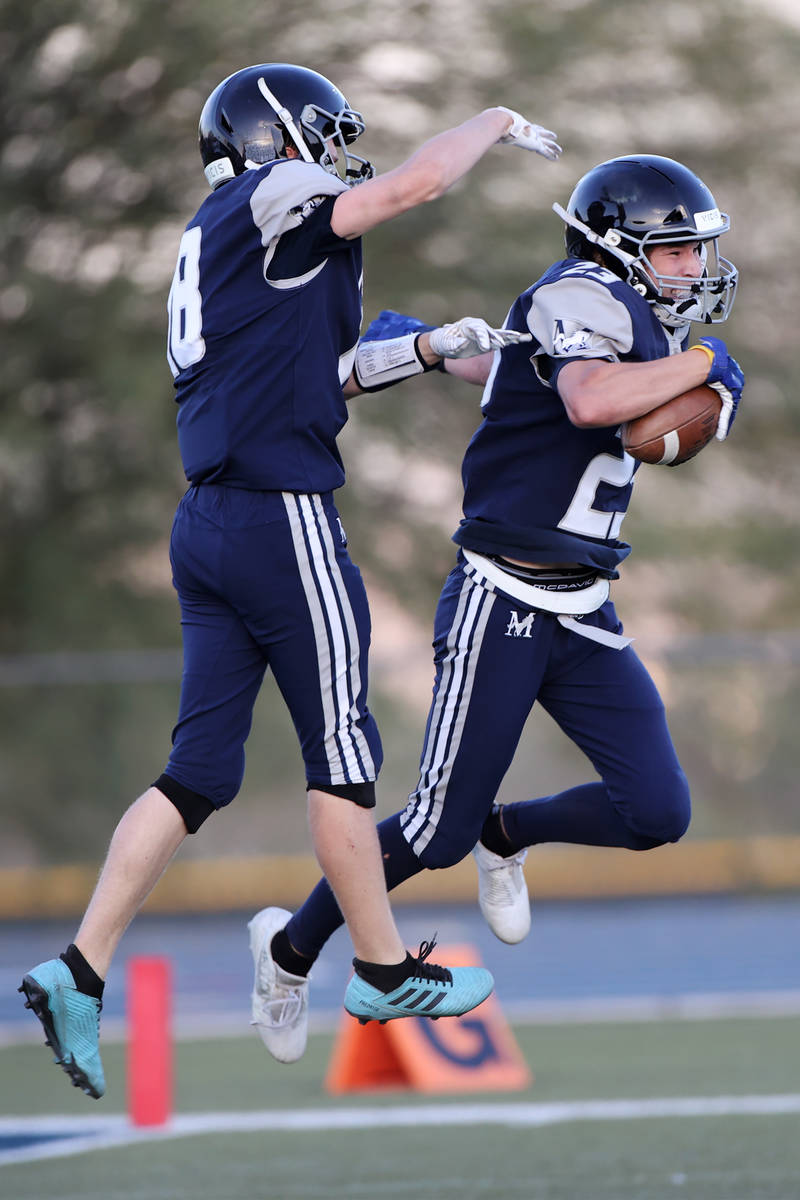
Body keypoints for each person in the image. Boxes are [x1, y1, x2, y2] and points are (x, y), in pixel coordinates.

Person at [19, 62, 563, 1097]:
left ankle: (78, 968)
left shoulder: (222, 233)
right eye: (320, 134)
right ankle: (378, 968)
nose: (334, 153)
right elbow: (404, 189)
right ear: (273, 138)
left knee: (196, 774)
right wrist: (490, 116)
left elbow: (322, 374)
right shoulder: (273, 195)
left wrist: (430, 349)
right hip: (281, 517)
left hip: (207, 521)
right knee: (342, 758)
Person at [248, 153, 745, 1063]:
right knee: (432, 829)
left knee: (656, 813)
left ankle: (505, 832)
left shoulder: (627, 318)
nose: (693, 269)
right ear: (622, 247)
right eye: (675, 251)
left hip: (584, 601)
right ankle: (288, 951)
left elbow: (517, 380)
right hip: (502, 593)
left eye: (695, 252)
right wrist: (707, 365)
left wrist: (699, 381)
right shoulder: (581, 292)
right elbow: (593, 401)